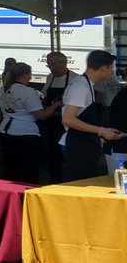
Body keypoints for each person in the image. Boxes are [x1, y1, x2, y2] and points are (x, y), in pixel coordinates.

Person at [59, 49, 122, 181]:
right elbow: (68, 119)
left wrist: (98, 135)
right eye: (111, 68)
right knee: (79, 185)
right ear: (104, 68)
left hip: (83, 143)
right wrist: (101, 131)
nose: (111, 72)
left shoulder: (86, 84)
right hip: (77, 146)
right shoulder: (81, 87)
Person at [0, 62, 52, 184]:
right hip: (26, 133)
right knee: (29, 168)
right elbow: (41, 115)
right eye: (29, 74)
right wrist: (55, 106)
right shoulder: (27, 92)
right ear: (24, 75)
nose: (30, 77)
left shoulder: (3, 90)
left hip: (6, 130)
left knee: (11, 167)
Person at [41, 52, 78, 181]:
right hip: (51, 123)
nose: (50, 67)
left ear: (63, 63)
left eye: (52, 64)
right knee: (52, 154)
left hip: (66, 124)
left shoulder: (75, 79)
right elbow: (45, 94)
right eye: (49, 64)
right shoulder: (50, 77)